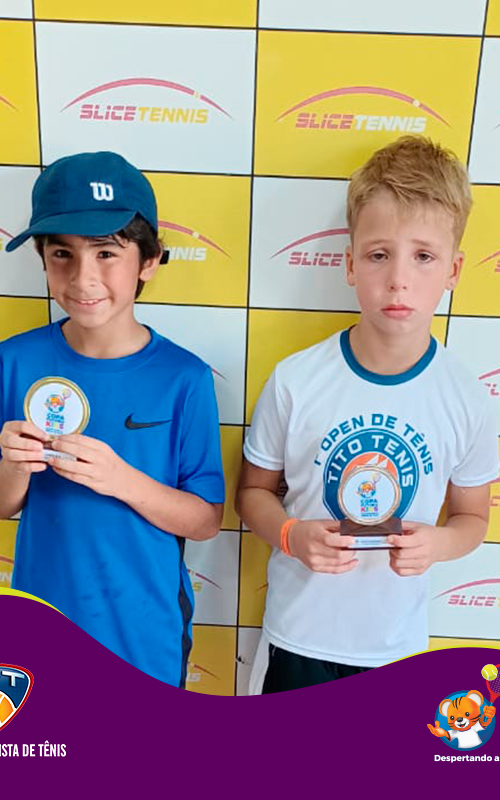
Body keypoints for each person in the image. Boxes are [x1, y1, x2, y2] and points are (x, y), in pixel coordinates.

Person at [236, 135, 499, 694]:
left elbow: (473, 518)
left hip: (395, 649)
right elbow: (252, 493)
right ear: (351, 264)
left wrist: (440, 544)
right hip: (297, 639)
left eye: (423, 256)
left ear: (453, 270)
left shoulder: (467, 398)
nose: (399, 279)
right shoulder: (296, 380)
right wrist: (290, 535)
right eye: (380, 254)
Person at [0, 151, 225, 687]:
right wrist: (13, 465)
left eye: (106, 252)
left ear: (148, 261)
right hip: (41, 627)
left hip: (144, 634)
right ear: (42, 258)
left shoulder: (184, 377)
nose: (84, 278)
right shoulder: (13, 362)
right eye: (62, 254)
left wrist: (121, 479)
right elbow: (4, 505)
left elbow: (205, 519)